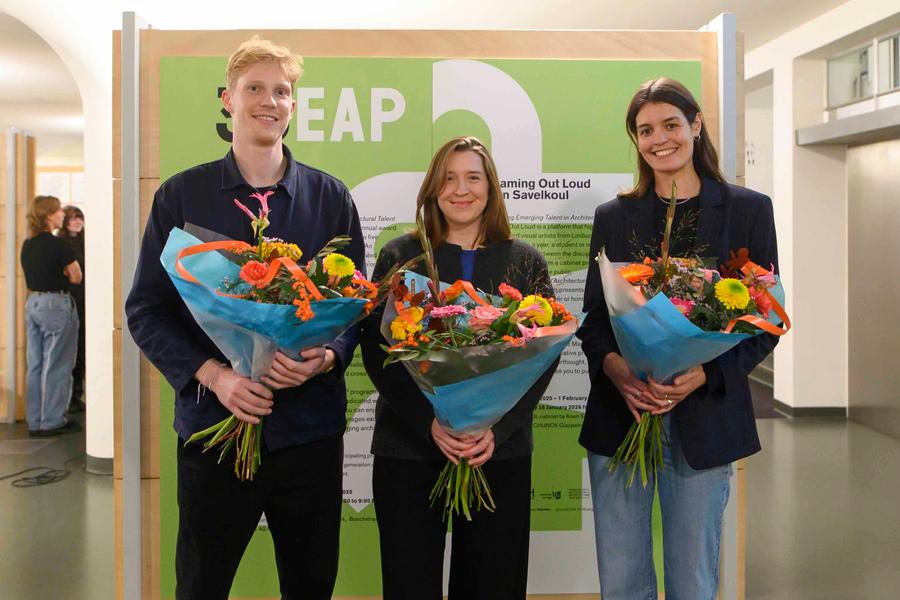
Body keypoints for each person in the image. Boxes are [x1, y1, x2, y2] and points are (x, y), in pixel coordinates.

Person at [125, 36, 364, 600]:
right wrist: (216, 376)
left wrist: (326, 357)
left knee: (311, 585)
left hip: (308, 434)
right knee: (201, 585)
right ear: (227, 99)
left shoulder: (330, 199)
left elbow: (355, 309)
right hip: (214, 427)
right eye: (254, 88)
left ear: (293, 105)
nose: (269, 101)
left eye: (281, 91)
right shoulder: (181, 197)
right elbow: (146, 310)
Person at [578, 77, 780, 600]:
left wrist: (706, 372)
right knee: (621, 581)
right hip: (623, 416)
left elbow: (765, 320)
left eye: (670, 124)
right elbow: (594, 319)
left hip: (705, 418)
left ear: (695, 125)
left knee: (693, 580)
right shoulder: (614, 217)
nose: (659, 139)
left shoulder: (747, 210)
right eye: (645, 130)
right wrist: (618, 371)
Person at [360, 136, 558, 600]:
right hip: (409, 448)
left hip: (496, 452)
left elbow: (543, 357)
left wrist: (499, 429)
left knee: (492, 584)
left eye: (473, 177)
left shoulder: (524, 261)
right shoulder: (400, 256)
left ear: (491, 187)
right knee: (409, 584)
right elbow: (376, 350)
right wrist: (428, 423)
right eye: (448, 178)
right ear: (433, 188)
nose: (460, 189)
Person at [21, 195, 82, 437]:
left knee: (36, 364)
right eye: (58, 211)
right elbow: (76, 276)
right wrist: (63, 273)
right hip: (55, 305)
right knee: (57, 363)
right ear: (49, 216)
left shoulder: (28, 244)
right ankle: (52, 421)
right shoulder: (59, 245)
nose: (62, 215)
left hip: (33, 303)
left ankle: (35, 421)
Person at [57, 205, 85, 412]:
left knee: (81, 349)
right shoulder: (61, 244)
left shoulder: (87, 242)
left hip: (85, 300)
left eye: (79, 217)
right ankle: (66, 398)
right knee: (68, 350)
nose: (76, 222)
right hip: (69, 300)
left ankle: (77, 394)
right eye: (72, 218)